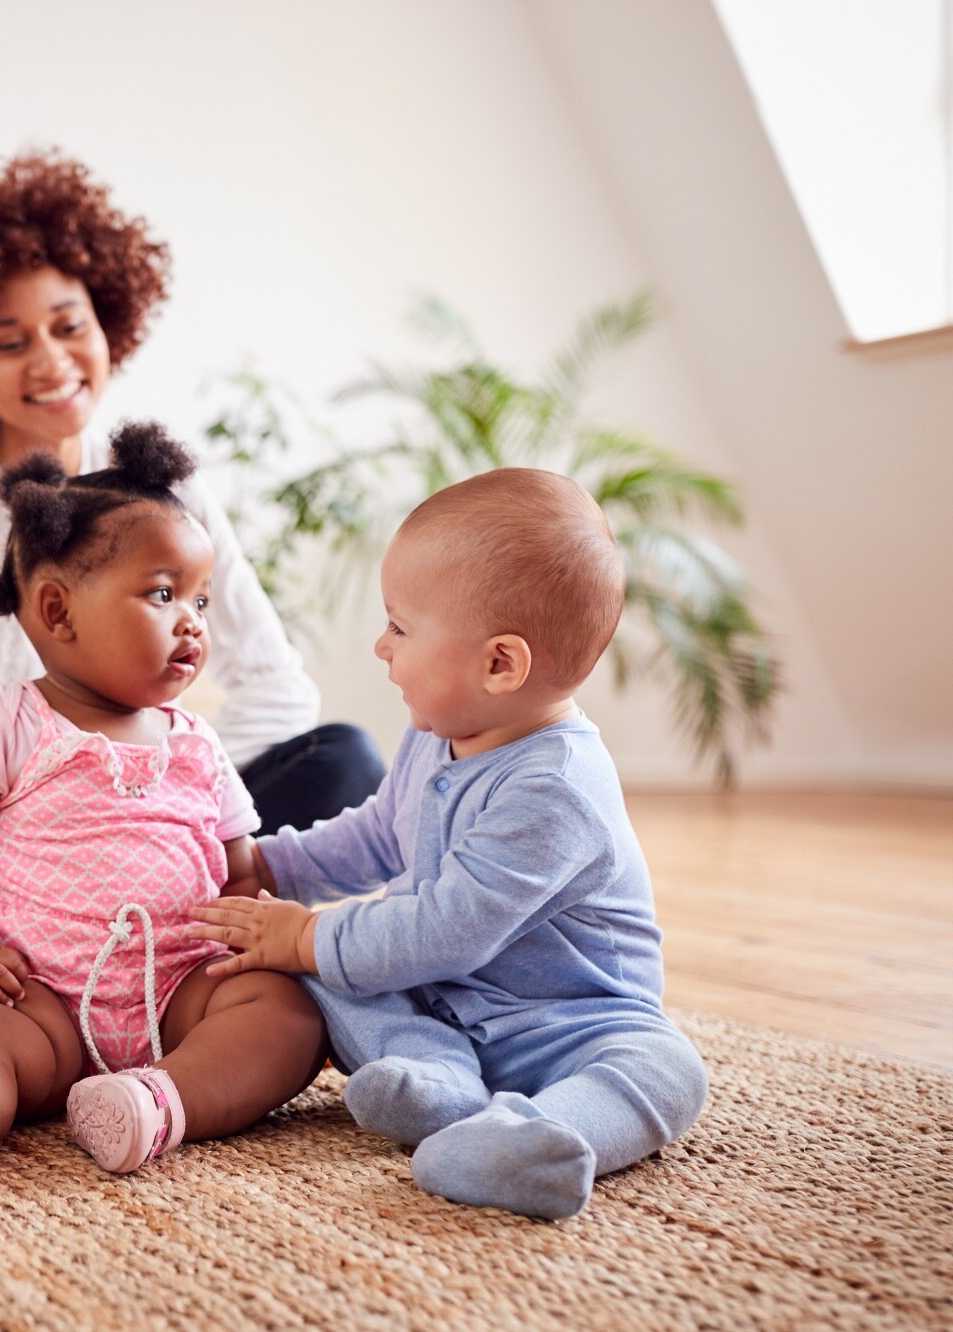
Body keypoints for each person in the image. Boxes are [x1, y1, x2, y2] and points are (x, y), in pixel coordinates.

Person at [0, 150, 384, 990]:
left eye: (68, 325)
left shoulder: (164, 490)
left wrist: (150, 793)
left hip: (140, 832)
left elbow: (280, 692)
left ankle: (83, 911)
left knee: (341, 756)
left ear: (109, 322)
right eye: (9, 341)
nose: (51, 361)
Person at [0, 425, 328, 1199]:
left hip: (180, 992)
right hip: (35, 993)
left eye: (202, 598)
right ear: (56, 609)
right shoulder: (4, 721)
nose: (194, 621)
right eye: (165, 594)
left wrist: (259, 930)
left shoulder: (199, 744)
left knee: (287, 1015)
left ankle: (158, 1101)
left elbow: (239, 868)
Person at [188, 468, 710, 1220]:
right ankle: (436, 1080)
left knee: (666, 1066)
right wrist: (273, 862)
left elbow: (446, 927)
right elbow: (378, 833)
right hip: (445, 1003)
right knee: (320, 976)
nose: (380, 644)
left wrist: (304, 934)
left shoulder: (555, 785)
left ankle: (540, 1137)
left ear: (500, 663)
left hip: (567, 1024)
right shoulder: (437, 736)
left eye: (400, 627)